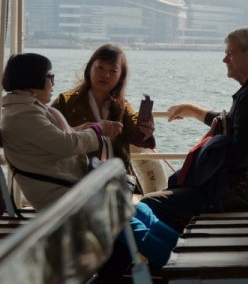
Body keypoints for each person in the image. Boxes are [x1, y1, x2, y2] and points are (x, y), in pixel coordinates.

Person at [0, 53, 179, 276]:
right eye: (50, 75)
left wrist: (81, 130)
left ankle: (183, 250)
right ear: (33, 80)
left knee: (141, 209)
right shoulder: (25, 114)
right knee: (130, 226)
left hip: (75, 190)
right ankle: (181, 266)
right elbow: (63, 144)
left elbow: (45, 142)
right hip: (64, 199)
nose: (53, 81)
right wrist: (97, 129)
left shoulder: (27, 110)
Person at [139, 26, 248, 231]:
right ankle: (176, 255)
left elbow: (240, 157)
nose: (225, 59)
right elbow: (231, 124)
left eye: (230, 53)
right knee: (169, 196)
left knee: (149, 205)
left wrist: (208, 148)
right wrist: (192, 110)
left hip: (241, 191)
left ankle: (171, 259)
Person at [51, 44, 156, 169]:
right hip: (78, 176)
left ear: (120, 77)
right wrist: (80, 130)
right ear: (90, 68)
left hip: (116, 177)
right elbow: (48, 136)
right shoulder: (66, 101)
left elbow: (136, 136)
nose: (105, 75)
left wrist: (146, 131)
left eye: (113, 71)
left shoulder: (122, 106)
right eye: (100, 68)